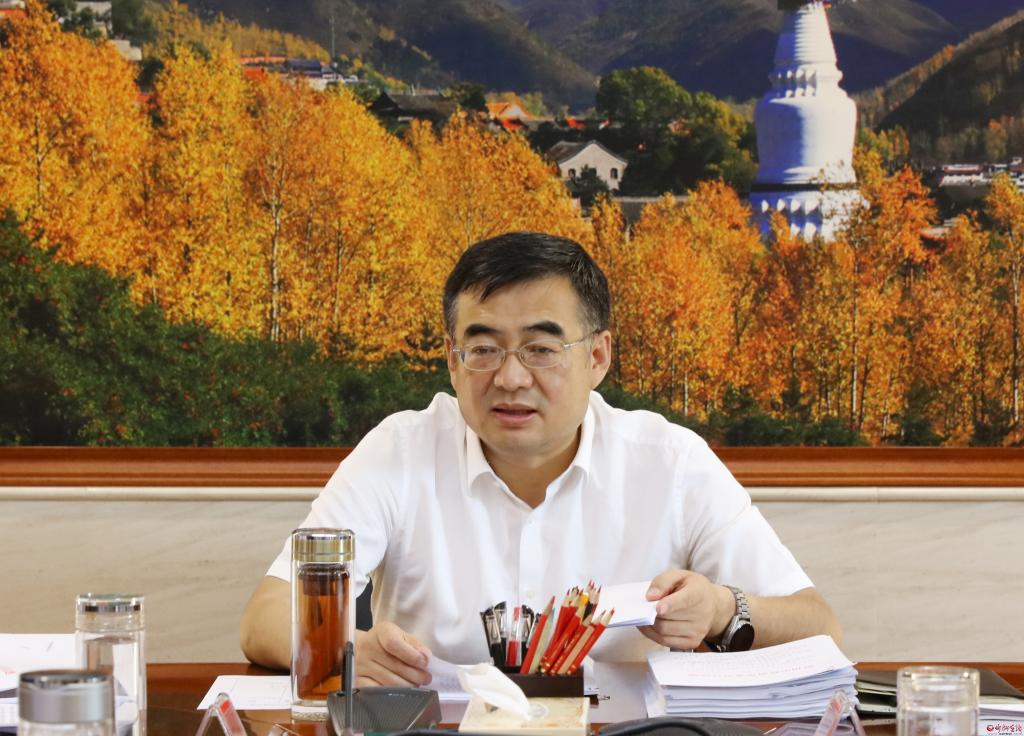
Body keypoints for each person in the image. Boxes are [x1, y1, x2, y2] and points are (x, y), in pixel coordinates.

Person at [240, 231, 841, 686]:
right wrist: (342, 648)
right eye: (483, 348)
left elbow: (820, 628)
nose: (510, 377)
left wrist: (721, 610)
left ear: (598, 357)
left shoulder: (671, 462)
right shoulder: (399, 450)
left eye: (541, 349)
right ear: (451, 359)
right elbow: (265, 616)